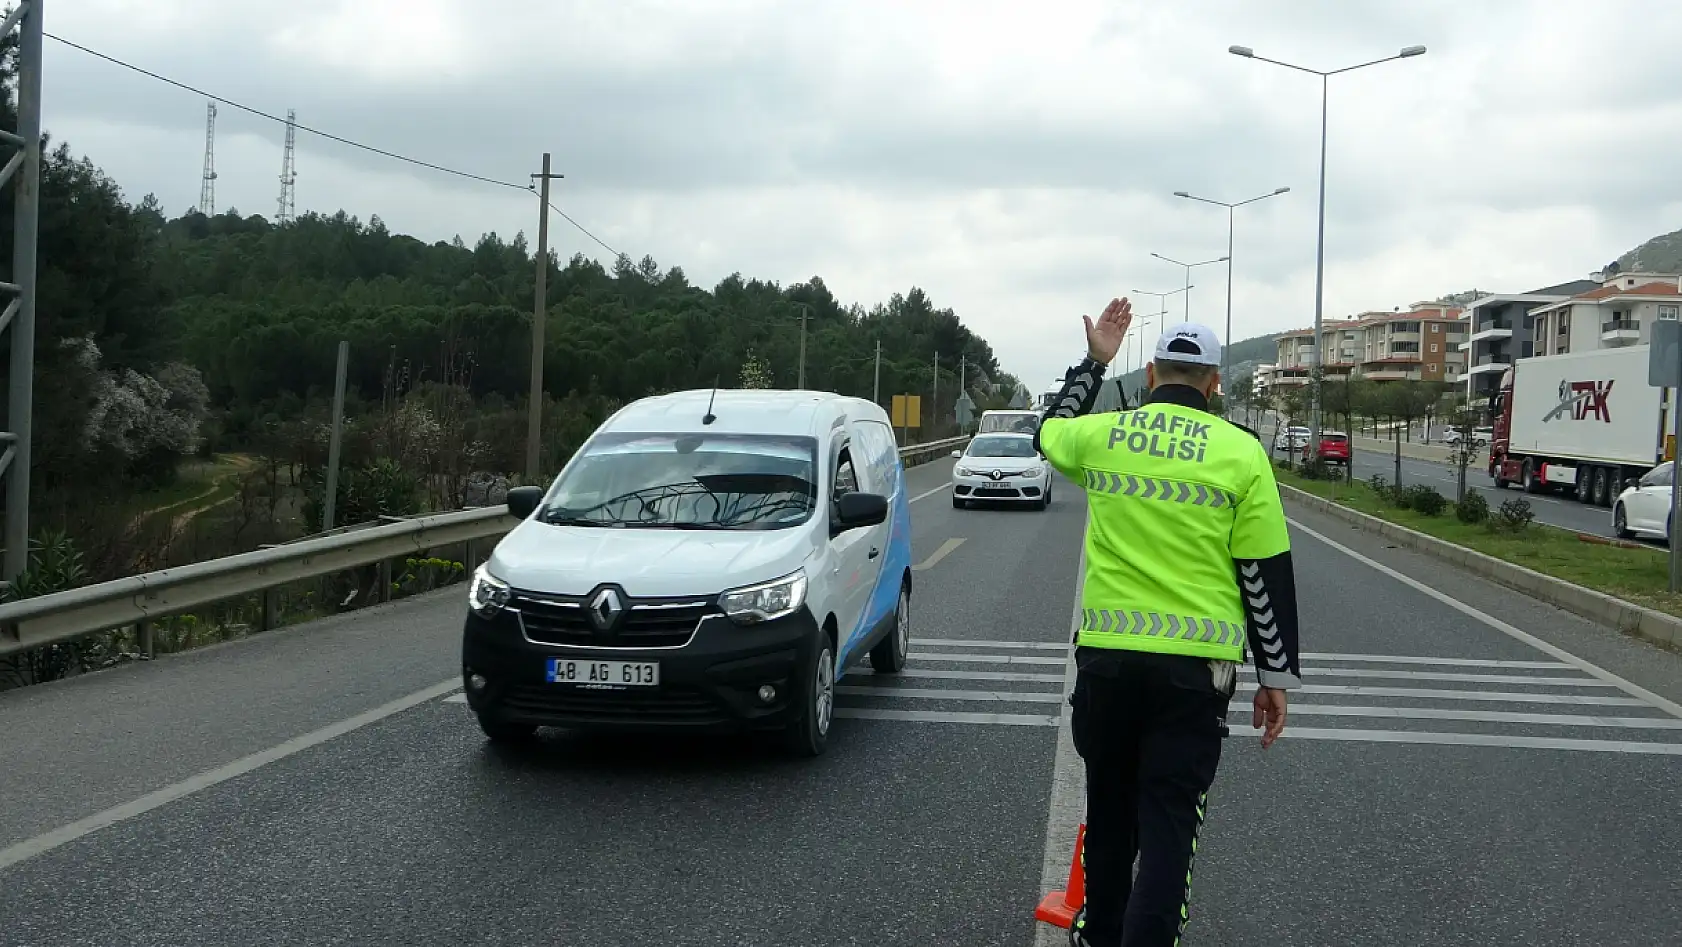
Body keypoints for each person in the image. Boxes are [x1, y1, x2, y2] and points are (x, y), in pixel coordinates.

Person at [1033, 298, 1301, 947]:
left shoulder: (1107, 435)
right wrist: (1274, 677)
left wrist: (1096, 362)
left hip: (1107, 666)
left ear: (1151, 373)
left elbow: (1048, 430)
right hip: (1192, 678)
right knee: (1167, 833)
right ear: (1214, 382)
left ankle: (1100, 936)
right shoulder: (1241, 455)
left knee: (1111, 818)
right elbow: (1263, 572)